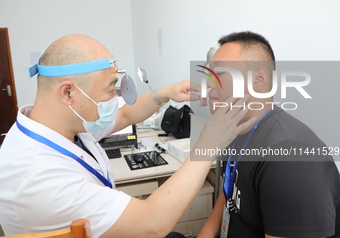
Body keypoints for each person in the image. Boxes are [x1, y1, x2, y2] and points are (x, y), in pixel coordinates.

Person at [0, 34, 256, 238]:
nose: (117, 96)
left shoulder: (63, 122)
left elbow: (122, 117)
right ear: (68, 93)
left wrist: (164, 93)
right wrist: (208, 144)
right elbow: (152, 224)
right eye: (111, 88)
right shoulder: (38, 174)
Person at [197, 31, 340, 238]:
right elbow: (228, 193)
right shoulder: (233, 130)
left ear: (259, 79)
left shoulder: (291, 158)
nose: (208, 84)